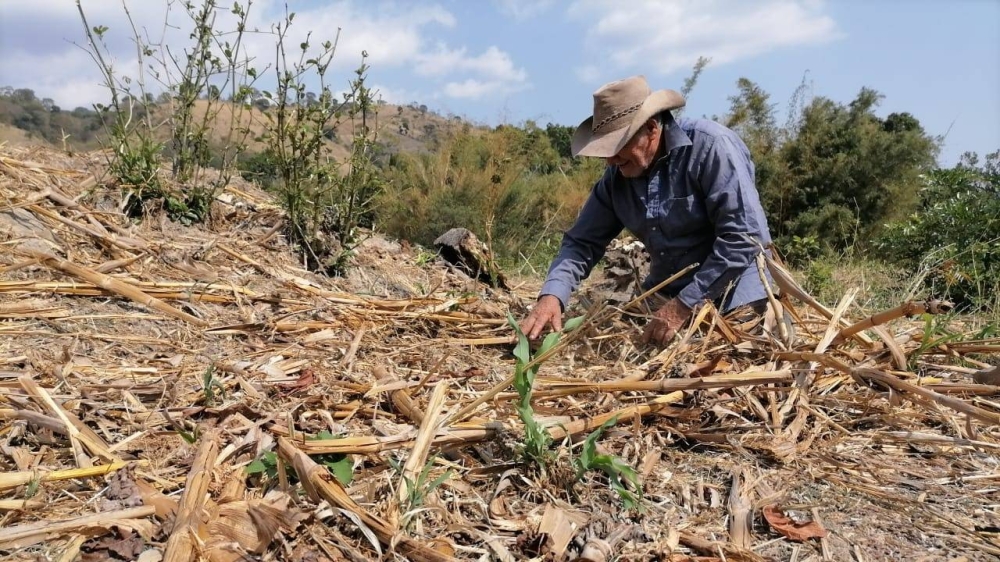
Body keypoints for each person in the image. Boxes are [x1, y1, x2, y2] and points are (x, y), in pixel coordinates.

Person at [520, 75, 775, 346]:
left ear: (652, 129)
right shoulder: (616, 179)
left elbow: (744, 238)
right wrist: (552, 296)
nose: (610, 159)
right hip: (667, 297)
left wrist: (684, 305)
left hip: (736, 294)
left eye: (617, 147)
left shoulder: (712, 147)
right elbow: (581, 243)